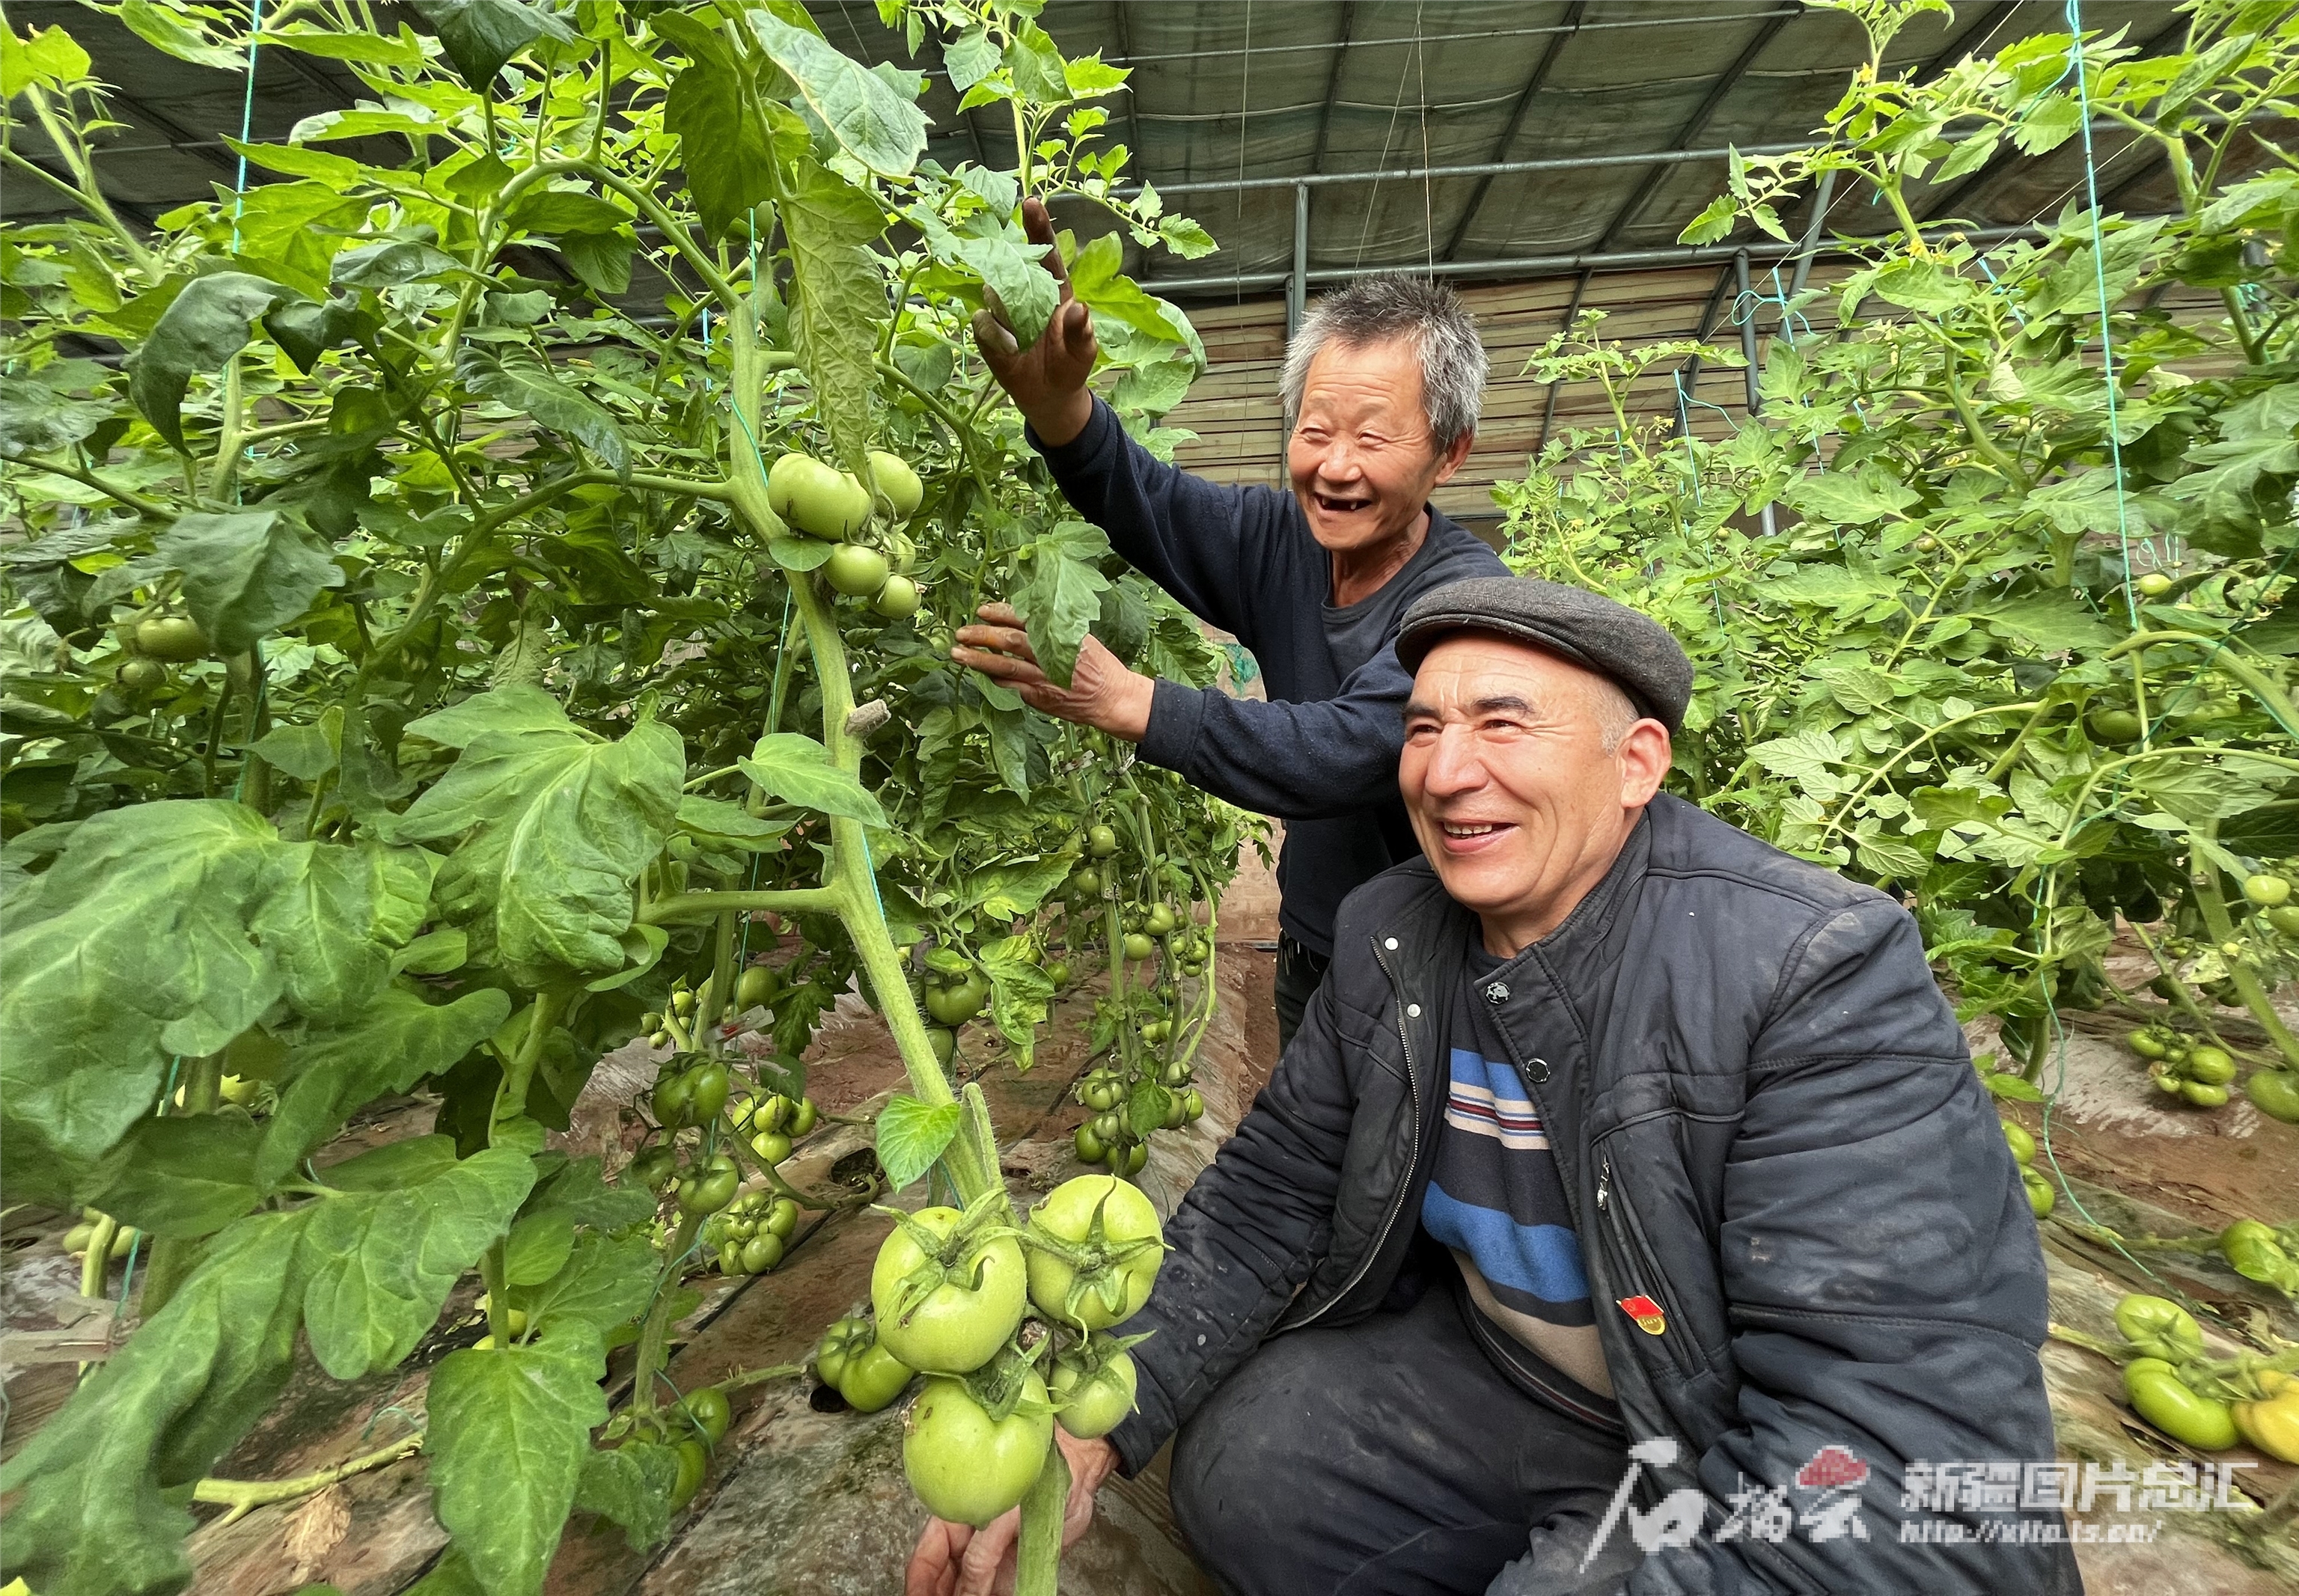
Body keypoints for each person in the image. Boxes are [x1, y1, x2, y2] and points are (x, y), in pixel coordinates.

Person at [907, 576, 2080, 1596]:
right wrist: (1082, 1428)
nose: (1448, 769)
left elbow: (1895, 1441)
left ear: (1638, 764)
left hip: (1718, 1427)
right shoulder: (1391, 934)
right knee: (1251, 1470)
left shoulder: (1811, 970)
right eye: (1422, 729)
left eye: (1503, 724)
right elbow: (1271, 1199)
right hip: (1520, 1380)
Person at [954, 201, 1507, 1049]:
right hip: (1316, 958)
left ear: (1451, 452)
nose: (1334, 467)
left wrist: (1134, 701)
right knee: (1311, 1176)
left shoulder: (1466, 599)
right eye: (1315, 431)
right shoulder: (1280, 540)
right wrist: (1062, 409)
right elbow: (1153, 505)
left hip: (1439, 976)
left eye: (1373, 438)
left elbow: (1354, 748)